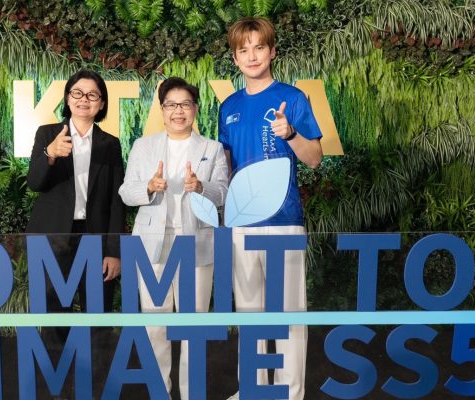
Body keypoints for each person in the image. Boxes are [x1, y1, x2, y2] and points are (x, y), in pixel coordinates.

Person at [218, 17, 323, 400]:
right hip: (242, 224)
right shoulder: (228, 107)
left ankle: (291, 394)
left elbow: (314, 158)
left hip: (283, 222)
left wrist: (290, 133)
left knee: (289, 314)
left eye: (259, 47)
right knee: (250, 314)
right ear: (235, 58)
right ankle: (254, 389)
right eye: (243, 50)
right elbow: (226, 168)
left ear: (272, 51)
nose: (252, 56)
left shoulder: (292, 99)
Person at [119, 77, 229, 398]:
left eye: (185, 104)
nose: (178, 111)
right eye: (171, 104)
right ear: (162, 109)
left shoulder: (211, 148)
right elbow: (126, 192)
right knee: (155, 325)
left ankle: (192, 393)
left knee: (195, 326)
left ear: (195, 109)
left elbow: (223, 192)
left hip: (196, 244)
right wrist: (149, 187)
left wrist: (201, 187)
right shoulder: (143, 146)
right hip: (152, 245)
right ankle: (161, 392)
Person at [26, 69, 125, 394]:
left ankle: (95, 385)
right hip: (54, 238)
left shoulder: (110, 144)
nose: (84, 100)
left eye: (92, 95)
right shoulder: (48, 133)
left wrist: (113, 251)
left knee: (98, 314)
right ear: (68, 99)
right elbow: (35, 183)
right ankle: (58, 386)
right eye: (77, 93)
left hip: (95, 239)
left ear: (102, 104)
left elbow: (115, 202)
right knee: (55, 315)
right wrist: (50, 154)